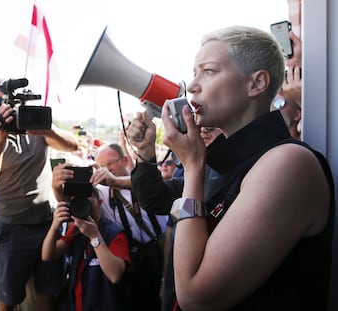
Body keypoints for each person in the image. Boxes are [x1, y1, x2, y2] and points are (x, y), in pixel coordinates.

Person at [127, 25, 334, 310]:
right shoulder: (226, 163)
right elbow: (157, 199)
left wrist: (193, 166)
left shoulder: (287, 163)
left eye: (209, 71)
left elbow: (194, 296)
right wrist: (151, 155)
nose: (194, 85)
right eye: (195, 72)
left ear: (257, 83)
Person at [0, 79, 79, 311]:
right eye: (1, 102)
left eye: (13, 101)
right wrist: (0, 138)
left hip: (46, 224)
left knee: (47, 296)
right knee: (8, 300)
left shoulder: (36, 128)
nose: (9, 107)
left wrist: (47, 128)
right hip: (11, 229)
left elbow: (73, 145)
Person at [91, 143, 167, 311]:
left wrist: (115, 181)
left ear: (125, 160)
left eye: (111, 163)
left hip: (156, 258)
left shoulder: (148, 186)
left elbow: (143, 184)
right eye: (102, 166)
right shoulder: (102, 194)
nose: (107, 169)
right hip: (128, 264)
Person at [42, 181, 130, 311]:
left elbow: (115, 275)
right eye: (78, 204)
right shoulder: (77, 231)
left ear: (99, 204)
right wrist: (55, 227)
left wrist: (95, 237)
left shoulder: (114, 233)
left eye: (87, 203)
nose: (83, 208)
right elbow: (47, 255)